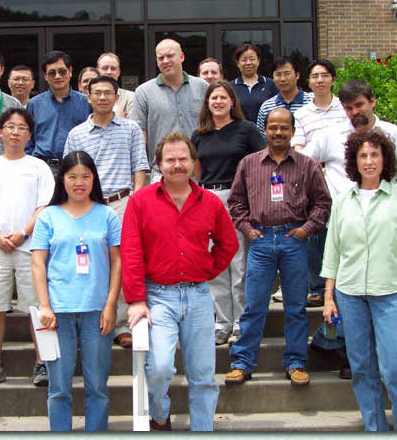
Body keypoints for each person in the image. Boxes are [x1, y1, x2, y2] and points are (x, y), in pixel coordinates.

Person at [302, 79, 397, 377]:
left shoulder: (393, 134)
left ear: (372, 102)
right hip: (345, 227)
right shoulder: (332, 135)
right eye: (349, 107)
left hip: (386, 228)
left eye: (360, 105)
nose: (355, 111)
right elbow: (302, 162)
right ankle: (348, 356)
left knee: (381, 296)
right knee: (346, 296)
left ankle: (380, 359)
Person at [122, 132, 238, 431]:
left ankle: (202, 429)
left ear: (193, 162)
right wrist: (136, 299)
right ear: (158, 164)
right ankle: (160, 415)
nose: (177, 165)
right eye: (170, 159)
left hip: (198, 296)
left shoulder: (210, 202)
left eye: (183, 159)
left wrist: (207, 269)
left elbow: (228, 244)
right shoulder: (140, 202)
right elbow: (131, 251)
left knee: (203, 374)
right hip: (158, 296)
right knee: (159, 367)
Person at [321, 130, 397, 431]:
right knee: (363, 369)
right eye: (363, 155)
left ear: (385, 159)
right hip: (349, 295)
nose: (369, 161)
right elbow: (333, 251)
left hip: (391, 295)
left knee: (395, 369)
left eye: (375, 155)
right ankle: (374, 428)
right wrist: (329, 297)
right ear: (354, 161)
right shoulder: (343, 201)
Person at [225, 108, 331, 387]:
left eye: (284, 128)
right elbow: (236, 203)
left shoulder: (307, 165)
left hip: (294, 241)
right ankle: (242, 362)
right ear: (266, 130)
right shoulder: (249, 164)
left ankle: (296, 362)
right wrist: (248, 230)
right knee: (254, 306)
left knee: (296, 307)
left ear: (293, 131)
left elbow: (322, 203)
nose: (278, 132)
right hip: (260, 242)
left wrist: (306, 230)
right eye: (273, 127)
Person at [31, 151, 122, 431]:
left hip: (97, 311)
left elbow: (117, 261)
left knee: (98, 385)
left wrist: (110, 305)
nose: (79, 183)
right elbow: (37, 262)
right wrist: (45, 306)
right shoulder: (48, 216)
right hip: (58, 313)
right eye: (72, 177)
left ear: (94, 179)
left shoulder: (107, 215)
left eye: (85, 176)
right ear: (63, 180)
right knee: (59, 387)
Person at [64, 75, 149, 348]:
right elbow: (68, 174)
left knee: (122, 262)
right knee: (86, 261)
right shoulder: (76, 133)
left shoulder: (131, 129)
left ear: (117, 96)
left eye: (108, 93)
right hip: (88, 205)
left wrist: (135, 201)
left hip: (123, 202)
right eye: (97, 93)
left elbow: (140, 167)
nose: (102, 97)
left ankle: (122, 324)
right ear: (88, 97)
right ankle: (86, 321)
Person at [0, 108, 54, 387]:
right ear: (0, 131)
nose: (15, 132)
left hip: (31, 248)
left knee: (36, 307)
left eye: (21, 127)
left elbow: (43, 206)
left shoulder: (38, 167)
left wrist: (22, 233)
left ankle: (41, 363)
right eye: (9, 126)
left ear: (29, 134)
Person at [191, 80, 265, 345]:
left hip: (237, 199)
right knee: (216, 264)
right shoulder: (200, 134)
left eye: (223, 97)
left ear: (232, 101)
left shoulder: (245, 130)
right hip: (208, 198)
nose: (218, 102)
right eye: (214, 98)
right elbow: (197, 170)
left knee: (238, 262)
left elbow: (262, 163)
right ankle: (222, 322)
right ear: (207, 103)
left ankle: (240, 322)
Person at [291, 59, 349, 308]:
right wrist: (315, 166)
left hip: (345, 182)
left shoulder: (345, 108)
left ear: (333, 79)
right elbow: (298, 148)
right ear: (308, 82)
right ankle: (317, 287)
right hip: (313, 182)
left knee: (345, 236)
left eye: (325, 75)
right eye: (315, 76)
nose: (320, 80)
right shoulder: (301, 113)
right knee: (316, 234)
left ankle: (343, 285)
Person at [130, 39, 208, 183]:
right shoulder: (144, 92)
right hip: (161, 173)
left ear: (182, 56)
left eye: (170, 56)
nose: (165, 61)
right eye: (161, 58)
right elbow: (140, 137)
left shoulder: (202, 87)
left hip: (198, 172)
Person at [26, 51, 92, 175]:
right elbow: (28, 139)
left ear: (70, 71)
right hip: (43, 168)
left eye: (62, 71)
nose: (57, 76)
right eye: (52, 73)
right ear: (45, 76)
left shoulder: (86, 103)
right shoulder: (34, 104)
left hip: (77, 168)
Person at [256, 56, 312, 136]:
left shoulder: (312, 102)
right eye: (278, 74)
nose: (282, 79)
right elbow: (262, 139)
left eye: (287, 74)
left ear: (297, 75)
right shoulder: (266, 107)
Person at [230, 43, 277, 123]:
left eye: (252, 59)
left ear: (258, 61)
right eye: (244, 60)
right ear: (238, 63)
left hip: (265, 133)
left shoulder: (271, 84)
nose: (248, 63)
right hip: (240, 133)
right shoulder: (231, 87)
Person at [96, 52, 135, 118]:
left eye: (113, 69)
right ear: (97, 71)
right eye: (105, 68)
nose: (109, 72)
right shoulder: (90, 97)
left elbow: (133, 126)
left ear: (118, 72)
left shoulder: (131, 97)